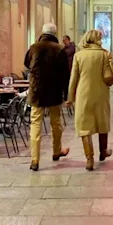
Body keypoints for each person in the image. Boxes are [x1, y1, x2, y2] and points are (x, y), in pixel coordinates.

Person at [67, 29, 113, 170]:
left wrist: (70, 97)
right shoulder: (104, 54)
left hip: (83, 94)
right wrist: (110, 60)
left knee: (85, 127)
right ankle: (103, 151)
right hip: (101, 94)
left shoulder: (79, 55)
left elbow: (73, 79)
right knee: (102, 122)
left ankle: (89, 159)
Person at [23, 23, 70, 171]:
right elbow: (65, 74)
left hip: (36, 90)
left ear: (42, 33)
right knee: (56, 123)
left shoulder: (34, 47)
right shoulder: (60, 49)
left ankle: (35, 159)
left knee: (35, 123)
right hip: (54, 91)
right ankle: (57, 151)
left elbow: (26, 63)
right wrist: (66, 94)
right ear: (55, 34)